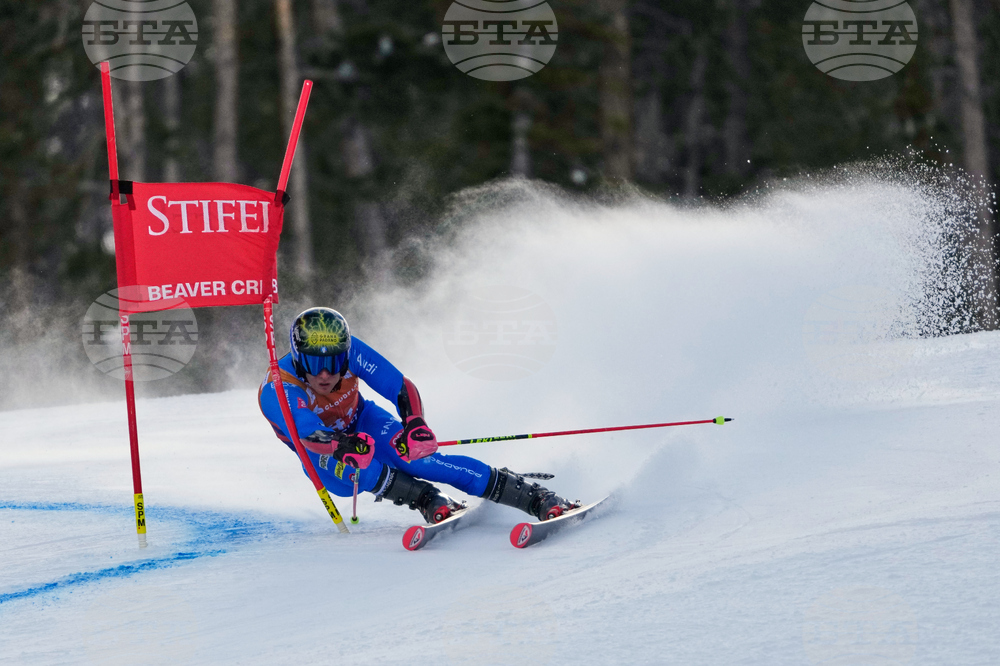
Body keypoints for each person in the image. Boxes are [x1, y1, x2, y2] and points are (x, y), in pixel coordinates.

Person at [258, 307, 576, 524]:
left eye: (335, 361)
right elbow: (309, 433)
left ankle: (535, 497)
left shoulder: (352, 350)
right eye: (314, 364)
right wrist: (343, 445)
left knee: (422, 461)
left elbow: (399, 386)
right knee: (361, 470)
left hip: (364, 420)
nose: (325, 373)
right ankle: (426, 498)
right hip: (320, 452)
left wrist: (415, 424)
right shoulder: (278, 389)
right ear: (298, 359)